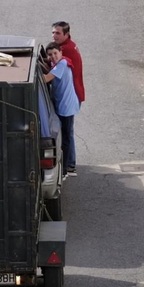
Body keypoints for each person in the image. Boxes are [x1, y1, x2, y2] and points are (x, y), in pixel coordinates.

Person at [42, 42, 79, 175]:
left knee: (66, 138)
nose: (53, 57)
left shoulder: (62, 64)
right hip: (62, 105)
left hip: (66, 107)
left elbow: (46, 79)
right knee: (65, 135)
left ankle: (66, 169)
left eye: (55, 53)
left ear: (61, 52)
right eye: (50, 55)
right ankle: (68, 165)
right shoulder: (57, 63)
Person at [50, 22, 84, 103]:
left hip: (70, 95)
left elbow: (51, 70)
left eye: (58, 33)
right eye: (53, 33)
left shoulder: (64, 49)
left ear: (67, 34)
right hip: (74, 92)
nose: (54, 36)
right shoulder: (70, 44)